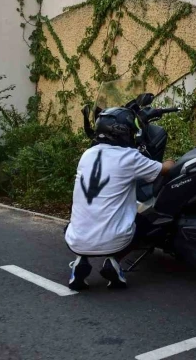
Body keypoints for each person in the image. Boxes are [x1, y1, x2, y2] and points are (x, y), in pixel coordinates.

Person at [65, 106, 174, 291]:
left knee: (80, 219)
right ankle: (113, 261)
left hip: (75, 239)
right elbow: (163, 170)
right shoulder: (129, 157)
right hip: (115, 240)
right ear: (124, 132)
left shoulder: (87, 155)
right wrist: (173, 162)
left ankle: (80, 262)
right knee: (151, 224)